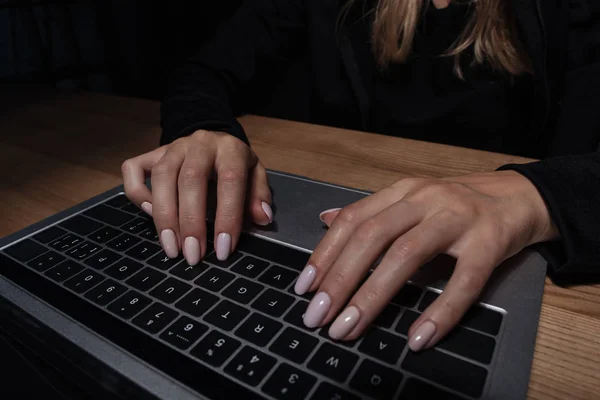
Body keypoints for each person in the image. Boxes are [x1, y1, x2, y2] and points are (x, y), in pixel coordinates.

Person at [121, 0, 600, 351]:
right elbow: (205, 72)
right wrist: (202, 129)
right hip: (343, 217)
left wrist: (540, 196)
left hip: (516, 263)